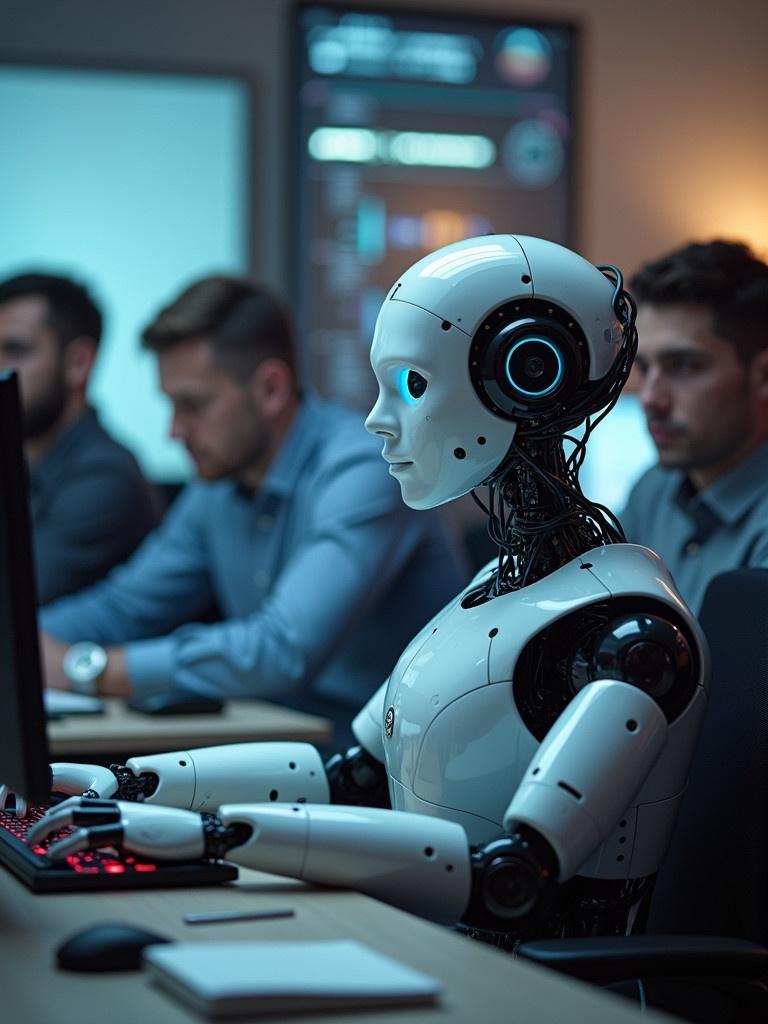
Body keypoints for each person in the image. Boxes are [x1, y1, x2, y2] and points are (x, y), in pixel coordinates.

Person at [33, 236, 705, 950]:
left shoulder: (630, 633)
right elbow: (347, 775)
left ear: (526, 372)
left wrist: (210, 834)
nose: (379, 420)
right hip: (421, 942)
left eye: (412, 385)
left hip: (536, 985)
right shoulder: (495, 588)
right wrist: (129, 784)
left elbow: (512, 880)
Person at [40, 275, 465, 737]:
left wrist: (92, 669)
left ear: (270, 388)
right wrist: (20, 645)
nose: (174, 431)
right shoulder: (219, 483)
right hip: (284, 752)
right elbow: (126, 606)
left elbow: (282, 650)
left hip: (389, 769)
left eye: (192, 405)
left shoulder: (364, 469)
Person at [620, 239, 768, 612]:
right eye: (644, 368)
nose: (651, 398)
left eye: (683, 366)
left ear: (763, 375)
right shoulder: (652, 490)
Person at [0, 272, 159, 605]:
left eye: (15, 350)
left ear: (78, 363)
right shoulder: (23, 463)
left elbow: (13, 604)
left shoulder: (105, 476)